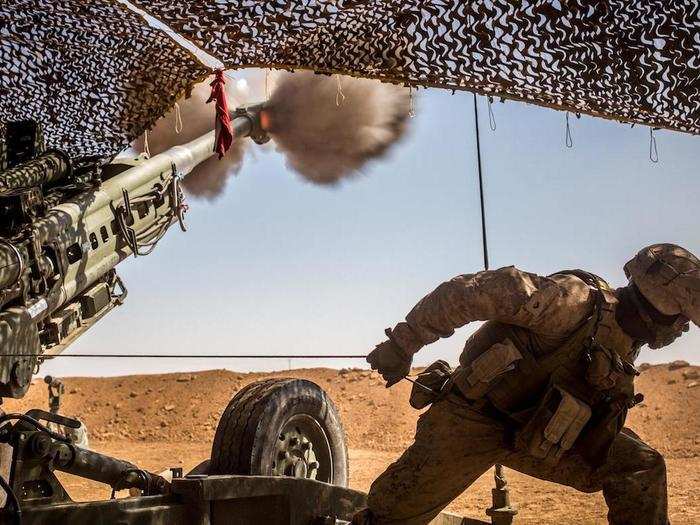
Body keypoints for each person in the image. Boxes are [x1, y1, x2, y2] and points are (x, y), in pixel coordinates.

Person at [355, 243, 698, 525]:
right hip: (472, 422)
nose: (682, 328)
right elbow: (466, 293)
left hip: (539, 438)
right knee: (389, 518)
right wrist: (402, 344)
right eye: (681, 317)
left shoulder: (625, 340)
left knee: (640, 463)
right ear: (659, 304)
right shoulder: (571, 303)